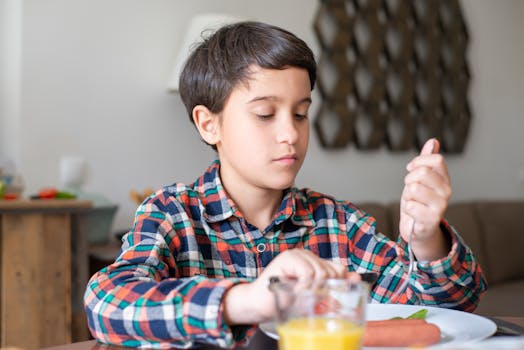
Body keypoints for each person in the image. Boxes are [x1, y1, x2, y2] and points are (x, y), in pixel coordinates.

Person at [84, 21, 487, 348]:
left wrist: (425, 238)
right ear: (209, 124)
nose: (290, 135)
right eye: (264, 114)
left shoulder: (336, 223)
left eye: (300, 114)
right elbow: (106, 303)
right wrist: (248, 300)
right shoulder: (173, 213)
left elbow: (446, 311)